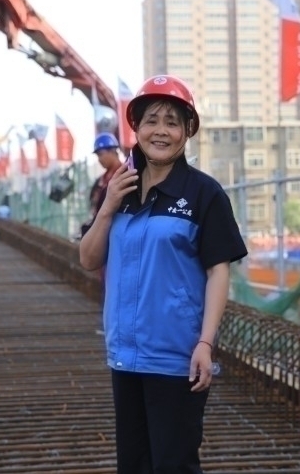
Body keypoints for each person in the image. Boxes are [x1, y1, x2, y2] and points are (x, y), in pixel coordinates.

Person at [79, 74, 247, 473]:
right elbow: (88, 259)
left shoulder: (204, 193)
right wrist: (108, 206)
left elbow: (218, 272)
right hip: (125, 354)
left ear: (187, 131)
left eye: (172, 122)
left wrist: (205, 343)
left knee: (174, 464)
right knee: (134, 464)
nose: (161, 131)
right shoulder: (119, 189)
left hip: (176, 357)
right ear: (135, 127)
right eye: (151, 120)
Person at [80, 132, 123, 237]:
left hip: (117, 228)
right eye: (97, 155)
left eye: (101, 154)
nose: (99, 159)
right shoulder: (101, 180)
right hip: (100, 228)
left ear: (112, 151)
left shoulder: (124, 174)